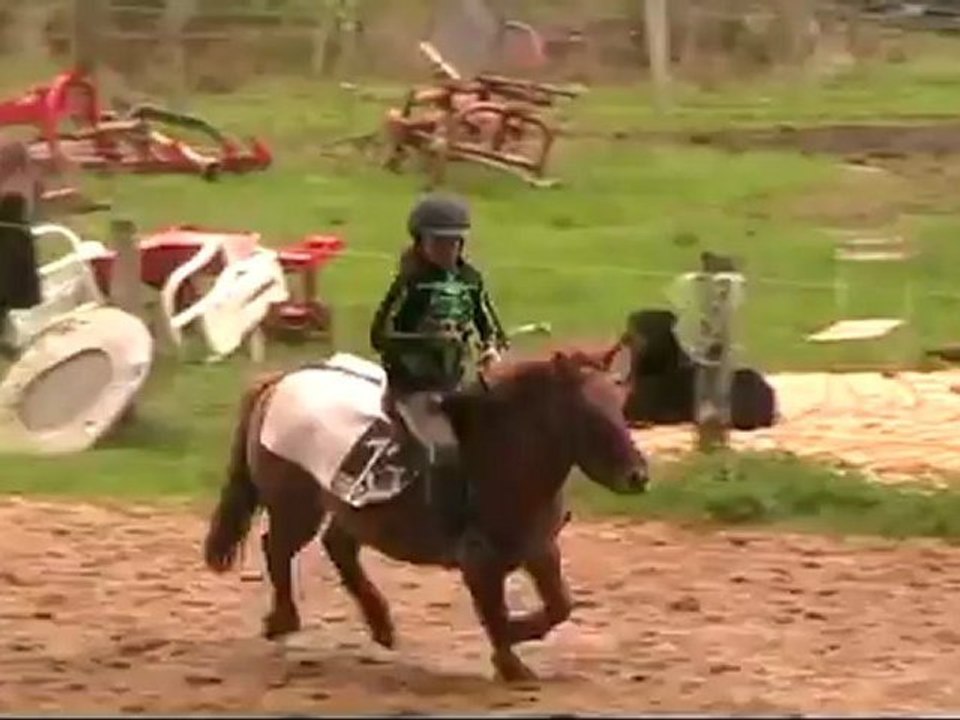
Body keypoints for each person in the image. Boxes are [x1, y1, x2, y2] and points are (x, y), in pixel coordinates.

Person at [369, 192, 508, 480]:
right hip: (412, 386)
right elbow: (380, 335)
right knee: (443, 453)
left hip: (456, 383)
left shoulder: (471, 280)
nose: (448, 250)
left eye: (454, 242)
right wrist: (430, 340)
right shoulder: (411, 283)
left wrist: (490, 348)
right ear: (421, 243)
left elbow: (488, 324)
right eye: (439, 242)